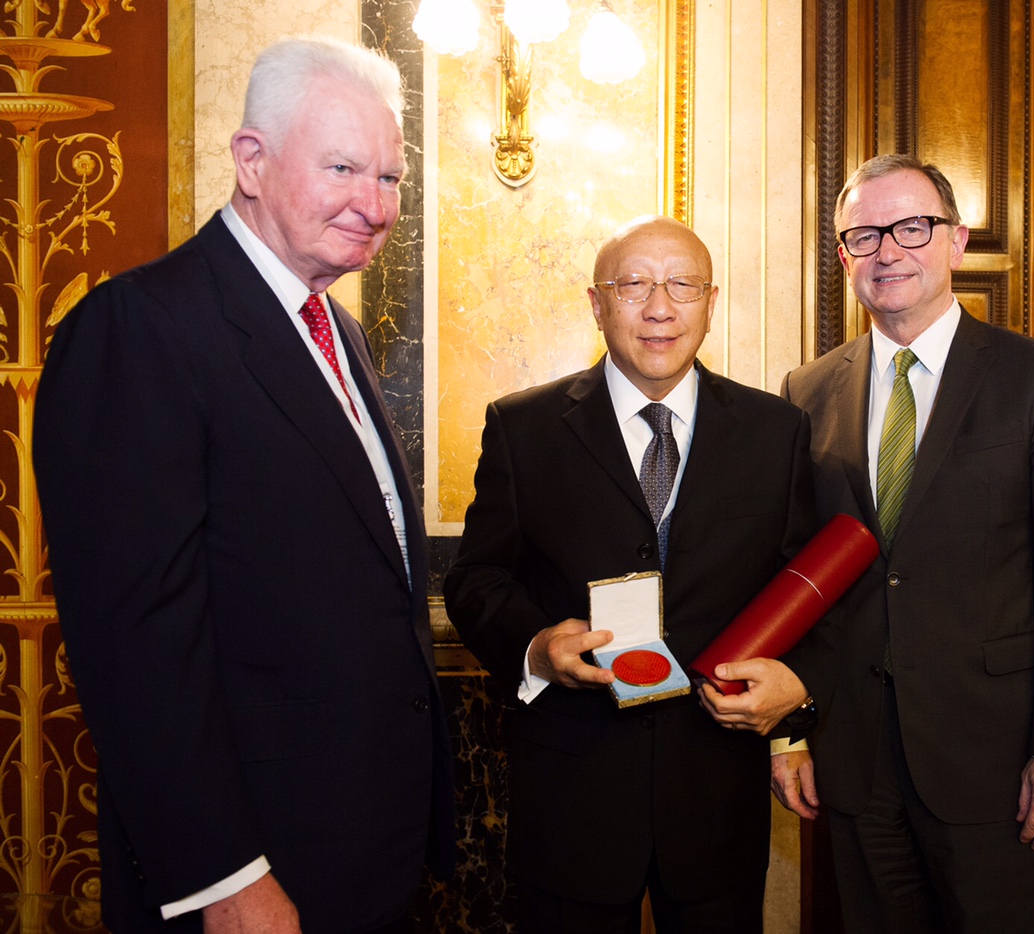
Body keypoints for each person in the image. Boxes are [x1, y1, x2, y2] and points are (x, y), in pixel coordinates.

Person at [33, 36, 453, 934]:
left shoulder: (336, 329)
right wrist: (223, 877)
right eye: (343, 168)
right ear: (251, 162)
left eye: (389, 177)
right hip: (254, 867)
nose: (375, 205)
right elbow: (136, 643)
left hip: (363, 847)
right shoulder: (140, 327)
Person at [701, 154, 1034, 932]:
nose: (888, 250)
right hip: (854, 763)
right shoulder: (807, 391)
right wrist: (789, 736)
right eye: (864, 235)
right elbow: (795, 576)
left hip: (997, 764)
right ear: (843, 258)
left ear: (956, 241)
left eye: (913, 227)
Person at [443, 215, 817, 934]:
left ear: (711, 302)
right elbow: (475, 577)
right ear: (596, 303)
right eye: (634, 285)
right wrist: (537, 646)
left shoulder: (776, 431)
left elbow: (800, 590)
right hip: (572, 795)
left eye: (682, 285)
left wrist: (795, 706)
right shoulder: (523, 427)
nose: (659, 308)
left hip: (716, 796)